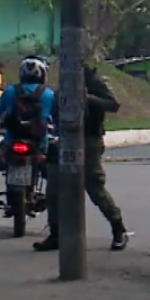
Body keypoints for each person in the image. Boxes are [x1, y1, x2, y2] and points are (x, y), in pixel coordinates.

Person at [34, 64, 130, 252]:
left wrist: (89, 99)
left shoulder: (94, 82)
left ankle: (118, 228)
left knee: (94, 186)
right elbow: (54, 110)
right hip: (66, 138)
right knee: (54, 184)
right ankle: (56, 233)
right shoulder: (65, 84)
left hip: (90, 138)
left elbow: (113, 105)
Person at [0, 57, 56, 222]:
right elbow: (57, 117)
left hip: (11, 141)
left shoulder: (9, 91)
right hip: (39, 144)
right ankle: (59, 215)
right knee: (53, 175)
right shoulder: (48, 94)